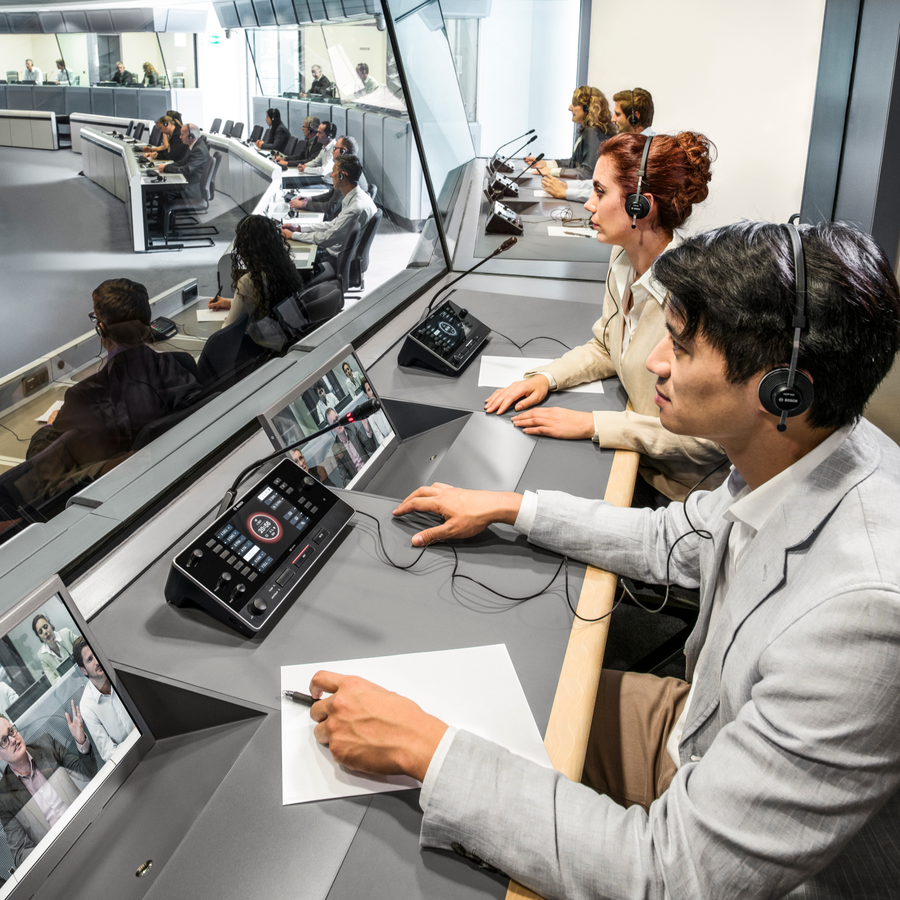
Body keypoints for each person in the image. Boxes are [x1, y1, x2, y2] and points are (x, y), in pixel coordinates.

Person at [307, 220, 900, 900]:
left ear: (782, 392)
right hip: (702, 727)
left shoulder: (864, 614)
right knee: (504, 706)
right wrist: (513, 507)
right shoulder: (803, 453)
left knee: (428, 762)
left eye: (681, 346)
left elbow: (670, 874)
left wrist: (425, 752)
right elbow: (675, 538)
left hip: (776, 874)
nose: (654, 363)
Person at [486, 132, 724, 502]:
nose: (588, 204)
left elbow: (709, 439)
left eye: (599, 192)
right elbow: (606, 346)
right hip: (635, 460)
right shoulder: (622, 259)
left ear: (640, 206)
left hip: (677, 494)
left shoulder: (694, 298)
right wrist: (547, 378)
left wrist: (593, 424)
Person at [25, 279, 201, 495]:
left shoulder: (84, 398)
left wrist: (50, 430)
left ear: (101, 329)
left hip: (122, 495)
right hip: (176, 476)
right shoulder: (180, 365)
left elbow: (45, 474)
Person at [0, 712, 97, 866]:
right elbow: (20, 853)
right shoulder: (4, 797)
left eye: (11, 731)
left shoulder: (46, 745)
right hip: (61, 860)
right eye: (4, 740)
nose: (13, 739)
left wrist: (81, 740)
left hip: (90, 824)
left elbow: (88, 773)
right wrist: (52, 854)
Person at [207, 215, 308, 351]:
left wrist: (228, 321)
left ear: (244, 248)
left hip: (266, 349)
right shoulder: (283, 268)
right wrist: (231, 303)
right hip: (289, 339)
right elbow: (264, 302)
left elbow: (228, 331)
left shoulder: (251, 281)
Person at [281, 154, 376, 266]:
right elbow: (333, 224)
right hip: (340, 254)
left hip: (337, 260)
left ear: (342, 175)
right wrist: (300, 228)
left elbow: (327, 238)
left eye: (333, 171)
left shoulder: (355, 209)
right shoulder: (356, 197)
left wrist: (293, 235)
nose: (331, 175)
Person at [526, 86, 616, 180]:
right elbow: (575, 163)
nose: (570, 108)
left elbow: (588, 173)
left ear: (587, 108)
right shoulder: (590, 130)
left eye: (574, 104)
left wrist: (551, 171)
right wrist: (546, 164)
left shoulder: (592, 132)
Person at [73, 638, 134, 764]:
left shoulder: (120, 672)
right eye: (90, 659)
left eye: (96, 653)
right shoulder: (87, 706)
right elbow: (108, 753)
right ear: (83, 670)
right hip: (130, 759)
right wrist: (135, 737)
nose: (97, 661)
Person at [288, 136, 369, 219]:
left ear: (343, 151)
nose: (332, 152)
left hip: (339, 218)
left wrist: (304, 205)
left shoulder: (347, 175)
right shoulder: (349, 168)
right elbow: (331, 195)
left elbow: (330, 207)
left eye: (335, 149)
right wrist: (308, 199)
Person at [157, 123, 209, 199]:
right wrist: (166, 166)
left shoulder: (198, 150)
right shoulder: (194, 145)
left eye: (182, 134)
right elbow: (181, 163)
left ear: (191, 136)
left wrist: (166, 169)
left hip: (191, 188)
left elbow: (187, 169)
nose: (180, 137)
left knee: (163, 191)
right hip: (188, 181)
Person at [325, 408, 370, 485]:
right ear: (332, 429)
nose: (338, 422)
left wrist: (367, 430)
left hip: (370, 469)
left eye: (337, 418)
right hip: (360, 482)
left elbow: (371, 448)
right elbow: (345, 478)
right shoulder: (336, 449)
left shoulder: (352, 428)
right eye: (334, 422)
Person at [32, 614, 78, 684]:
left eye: (45, 627)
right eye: (40, 632)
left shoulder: (66, 633)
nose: (45, 632)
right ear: (39, 637)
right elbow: (53, 682)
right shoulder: (42, 656)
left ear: (50, 625)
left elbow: (85, 649)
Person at [362, 380, 391, 445]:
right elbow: (380, 440)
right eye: (369, 390)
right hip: (390, 442)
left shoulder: (385, 399)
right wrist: (391, 437)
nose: (372, 391)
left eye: (372, 387)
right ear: (366, 395)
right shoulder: (370, 415)